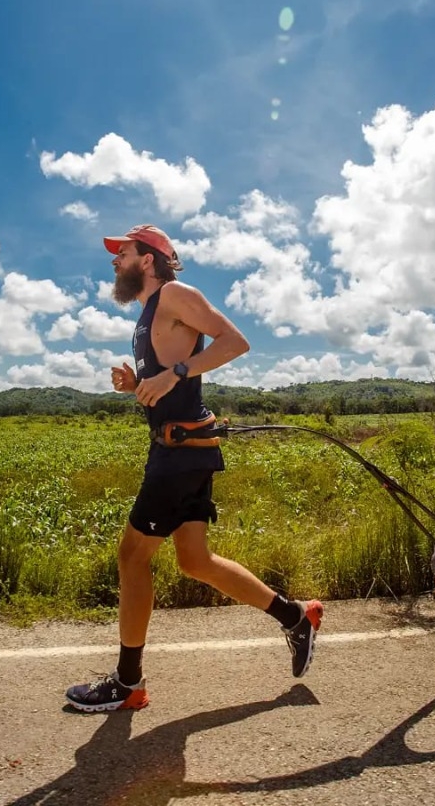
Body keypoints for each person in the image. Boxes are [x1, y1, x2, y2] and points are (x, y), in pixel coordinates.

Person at [65, 224, 324, 712]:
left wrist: (174, 373)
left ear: (148, 258)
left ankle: (127, 684)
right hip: (182, 448)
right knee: (194, 561)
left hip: (179, 453)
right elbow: (166, 383)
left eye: (122, 252)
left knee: (132, 557)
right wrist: (136, 385)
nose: (114, 260)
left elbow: (236, 341)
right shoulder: (147, 314)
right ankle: (295, 617)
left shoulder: (175, 295)